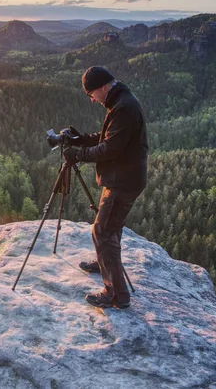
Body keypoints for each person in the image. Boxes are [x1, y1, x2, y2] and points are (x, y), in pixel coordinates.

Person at [62, 66, 148, 309]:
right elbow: (108, 137)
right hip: (121, 179)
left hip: (122, 181)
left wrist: (78, 154)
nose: (91, 99)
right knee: (110, 227)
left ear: (102, 87)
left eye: (91, 94)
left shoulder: (124, 107)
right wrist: (81, 139)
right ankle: (105, 266)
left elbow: (110, 148)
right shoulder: (120, 101)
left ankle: (115, 295)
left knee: (102, 231)